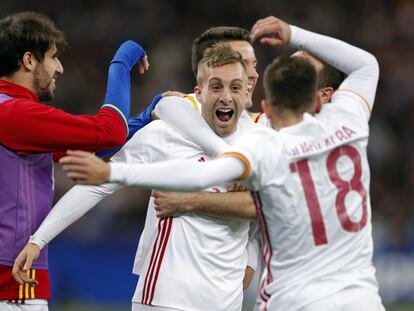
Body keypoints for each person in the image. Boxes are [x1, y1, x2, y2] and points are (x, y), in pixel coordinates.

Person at [57, 16, 384, 311]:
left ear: (267, 107)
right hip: (360, 295)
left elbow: (206, 173)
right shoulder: (350, 126)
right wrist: (294, 34)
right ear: (320, 98)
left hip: (296, 296)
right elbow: (367, 64)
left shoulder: (266, 146)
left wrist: (115, 171)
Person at [14, 43, 258, 311]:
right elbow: (98, 186)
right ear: (198, 93)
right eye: (216, 87)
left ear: (246, 93)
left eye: (234, 87)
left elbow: (269, 211)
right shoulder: (165, 135)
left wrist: (251, 261)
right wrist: (39, 239)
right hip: (165, 298)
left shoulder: (259, 142)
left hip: (227, 301)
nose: (225, 97)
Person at [0, 11, 148, 310]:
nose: (60, 68)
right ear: (29, 61)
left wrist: (148, 117)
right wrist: (122, 60)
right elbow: (110, 131)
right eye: (53, 57)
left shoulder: (13, 116)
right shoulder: (16, 115)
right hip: (12, 285)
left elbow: (91, 155)